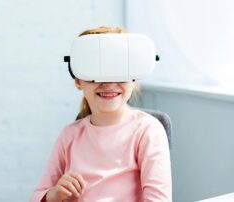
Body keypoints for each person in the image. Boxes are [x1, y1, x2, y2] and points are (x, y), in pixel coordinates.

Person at [30, 26, 172, 202]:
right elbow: (37, 196)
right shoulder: (69, 135)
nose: (108, 82)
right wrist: (55, 194)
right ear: (78, 80)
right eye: (95, 72)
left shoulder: (147, 130)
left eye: (119, 70)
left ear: (134, 76)